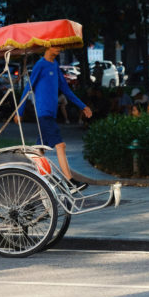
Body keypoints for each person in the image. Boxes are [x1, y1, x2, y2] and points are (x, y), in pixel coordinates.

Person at [15, 47, 92, 191]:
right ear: (48, 46)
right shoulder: (40, 64)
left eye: (61, 46)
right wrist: (19, 111)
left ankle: (30, 182)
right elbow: (28, 88)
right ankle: (70, 183)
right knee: (60, 145)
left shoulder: (55, 65)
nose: (60, 49)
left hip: (51, 114)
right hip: (43, 113)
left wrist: (82, 106)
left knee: (39, 150)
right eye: (56, 45)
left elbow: (66, 90)